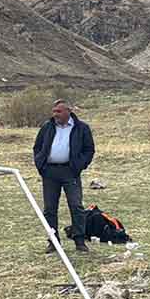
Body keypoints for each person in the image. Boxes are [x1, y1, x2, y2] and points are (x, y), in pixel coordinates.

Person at [31, 100, 95, 254]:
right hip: (50, 173)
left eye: (58, 111)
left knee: (76, 206)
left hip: (70, 172)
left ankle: (79, 240)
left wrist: (79, 165)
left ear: (68, 111)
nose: (55, 114)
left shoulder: (81, 128)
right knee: (49, 209)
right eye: (54, 111)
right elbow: (37, 147)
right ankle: (53, 241)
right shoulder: (47, 127)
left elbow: (89, 150)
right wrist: (41, 165)